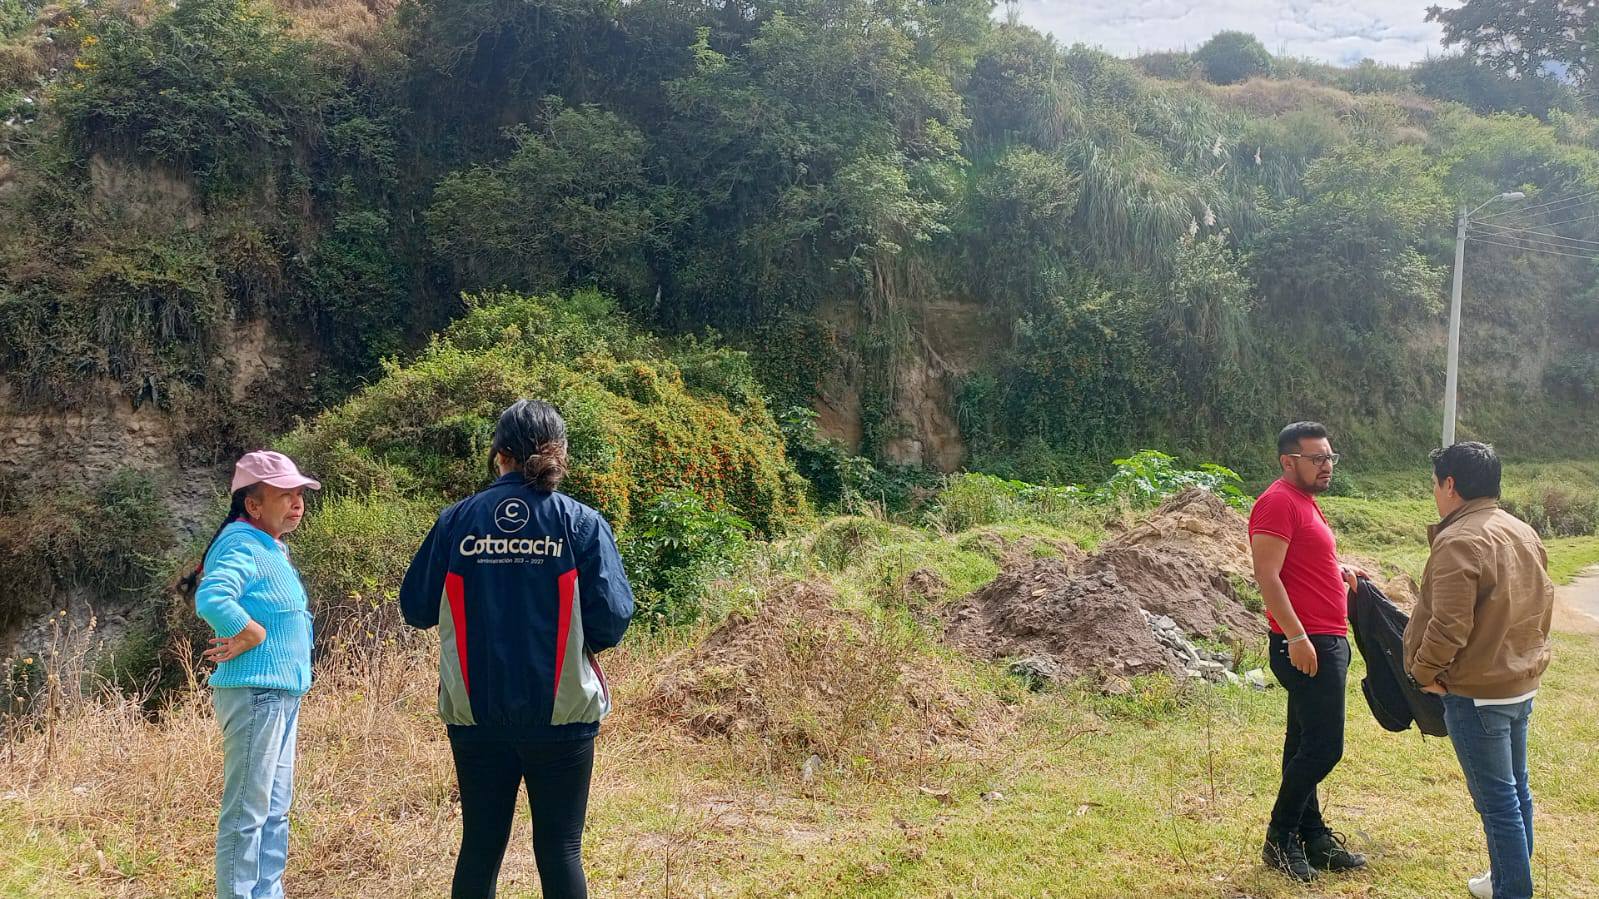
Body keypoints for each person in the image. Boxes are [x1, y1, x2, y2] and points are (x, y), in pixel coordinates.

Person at [400, 399, 635, 899]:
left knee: (480, 847)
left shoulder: (456, 521)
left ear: (499, 455)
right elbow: (612, 620)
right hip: (562, 714)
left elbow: (416, 608)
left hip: (476, 712)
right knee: (561, 850)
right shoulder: (581, 523)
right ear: (559, 453)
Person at [1404, 442, 1554, 899]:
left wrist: (1423, 672)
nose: (1435, 493)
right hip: (1517, 683)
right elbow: (1541, 605)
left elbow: (1449, 625)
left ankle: (1513, 890)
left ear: (1450, 485)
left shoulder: (1459, 541)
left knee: (1497, 802)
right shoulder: (1522, 531)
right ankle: (1503, 879)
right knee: (1515, 791)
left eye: (1435, 484)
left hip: (1478, 692)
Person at [180, 450, 322, 899]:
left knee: (274, 810)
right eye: (284, 495)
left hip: (278, 693)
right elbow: (212, 598)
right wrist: (251, 631)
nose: (297, 502)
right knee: (248, 812)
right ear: (253, 504)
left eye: (299, 494)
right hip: (257, 692)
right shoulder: (242, 542)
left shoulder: (268, 545)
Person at [1248, 421, 1368, 881]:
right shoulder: (1278, 501)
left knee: (1302, 743)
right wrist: (1296, 636)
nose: (1326, 465)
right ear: (1288, 461)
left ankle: (1312, 836)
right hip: (1306, 642)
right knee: (1323, 747)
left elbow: (1300, 562)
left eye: (1329, 457)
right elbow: (1267, 575)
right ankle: (1280, 838)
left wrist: (1338, 570)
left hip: (1324, 637)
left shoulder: (1304, 503)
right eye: (1316, 458)